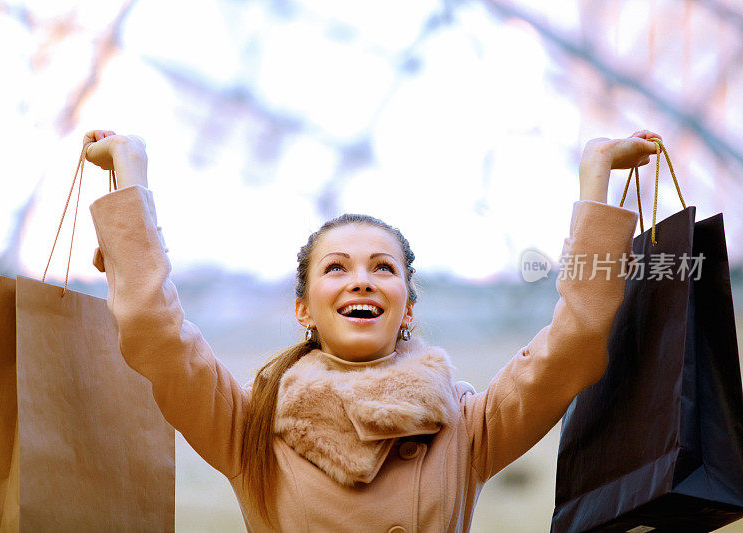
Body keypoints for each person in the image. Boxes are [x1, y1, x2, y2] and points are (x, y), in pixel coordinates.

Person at [85, 128, 660, 532]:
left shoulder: (466, 428)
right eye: (336, 268)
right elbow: (152, 329)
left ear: (406, 307)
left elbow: (577, 340)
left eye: (383, 268)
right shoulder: (248, 430)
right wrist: (128, 173)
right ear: (304, 309)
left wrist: (596, 178)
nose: (361, 281)